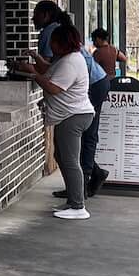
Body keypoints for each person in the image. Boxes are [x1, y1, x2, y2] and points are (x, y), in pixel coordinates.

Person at [27, 23, 95, 219]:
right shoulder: (67, 59)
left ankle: (78, 206)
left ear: (62, 42)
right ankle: (73, 200)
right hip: (71, 115)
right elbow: (50, 71)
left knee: (70, 160)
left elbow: (54, 87)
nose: (51, 45)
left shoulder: (70, 62)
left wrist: (33, 74)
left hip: (73, 116)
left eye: (54, 41)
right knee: (62, 157)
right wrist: (36, 63)